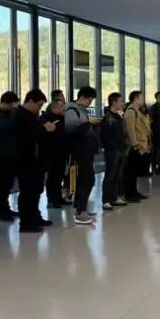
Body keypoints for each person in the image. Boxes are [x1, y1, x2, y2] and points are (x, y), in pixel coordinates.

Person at [13, 89, 57, 233]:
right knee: (27, 192)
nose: (39, 108)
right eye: (38, 105)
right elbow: (27, 137)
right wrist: (44, 130)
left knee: (36, 190)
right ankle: (26, 222)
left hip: (36, 161)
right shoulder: (19, 116)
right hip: (25, 161)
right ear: (30, 101)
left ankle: (35, 216)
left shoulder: (32, 116)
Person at [64, 86, 100, 224]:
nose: (90, 103)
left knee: (86, 179)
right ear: (82, 97)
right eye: (89, 100)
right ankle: (80, 212)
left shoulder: (81, 111)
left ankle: (81, 208)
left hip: (87, 149)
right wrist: (88, 123)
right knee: (87, 179)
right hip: (79, 150)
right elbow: (72, 129)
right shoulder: (71, 110)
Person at [0, 91, 20, 222]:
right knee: (2, 185)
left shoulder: (8, 114)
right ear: (7, 103)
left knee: (7, 185)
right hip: (0, 156)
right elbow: (7, 127)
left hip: (10, 155)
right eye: (12, 105)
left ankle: (5, 209)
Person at [100, 92, 128, 211]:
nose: (122, 103)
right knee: (110, 175)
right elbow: (105, 136)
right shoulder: (108, 118)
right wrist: (112, 145)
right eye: (120, 101)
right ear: (114, 102)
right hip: (112, 150)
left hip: (121, 149)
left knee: (118, 174)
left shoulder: (118, 116)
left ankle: (114, 197)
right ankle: (106, 200)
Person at [40, 97, 69, 208]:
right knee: (52, 176)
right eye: (61, 106)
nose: (63, 108)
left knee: (59, 176)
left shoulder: (62, 117)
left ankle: (58, 197)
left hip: (62, 151)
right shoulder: (46, 117)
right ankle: (52, 199)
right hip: (51, 152)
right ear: (54, 107)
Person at [124, 90, 151, 201]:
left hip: (140, 145)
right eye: (141, 98)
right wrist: (135, 144)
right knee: (130, 171)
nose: (143, 100)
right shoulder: (131, 111)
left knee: (134, 171)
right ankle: (129, 194)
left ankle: (134, 192)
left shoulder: (138, 111)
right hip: (134, 146)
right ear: (136, 99)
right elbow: (130, 129)